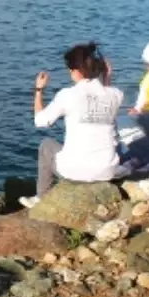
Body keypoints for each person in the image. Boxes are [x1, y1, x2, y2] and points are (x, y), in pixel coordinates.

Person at [21, 42, 123, 208]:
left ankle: (42, 198)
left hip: (76, 171)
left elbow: (40, 121)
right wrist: (107, 76)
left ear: (76, 71)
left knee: (46, 145)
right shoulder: (116, 95)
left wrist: (39, 90)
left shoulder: (67, 95)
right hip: (107, 170)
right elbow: (105, 94)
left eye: (70, 69)